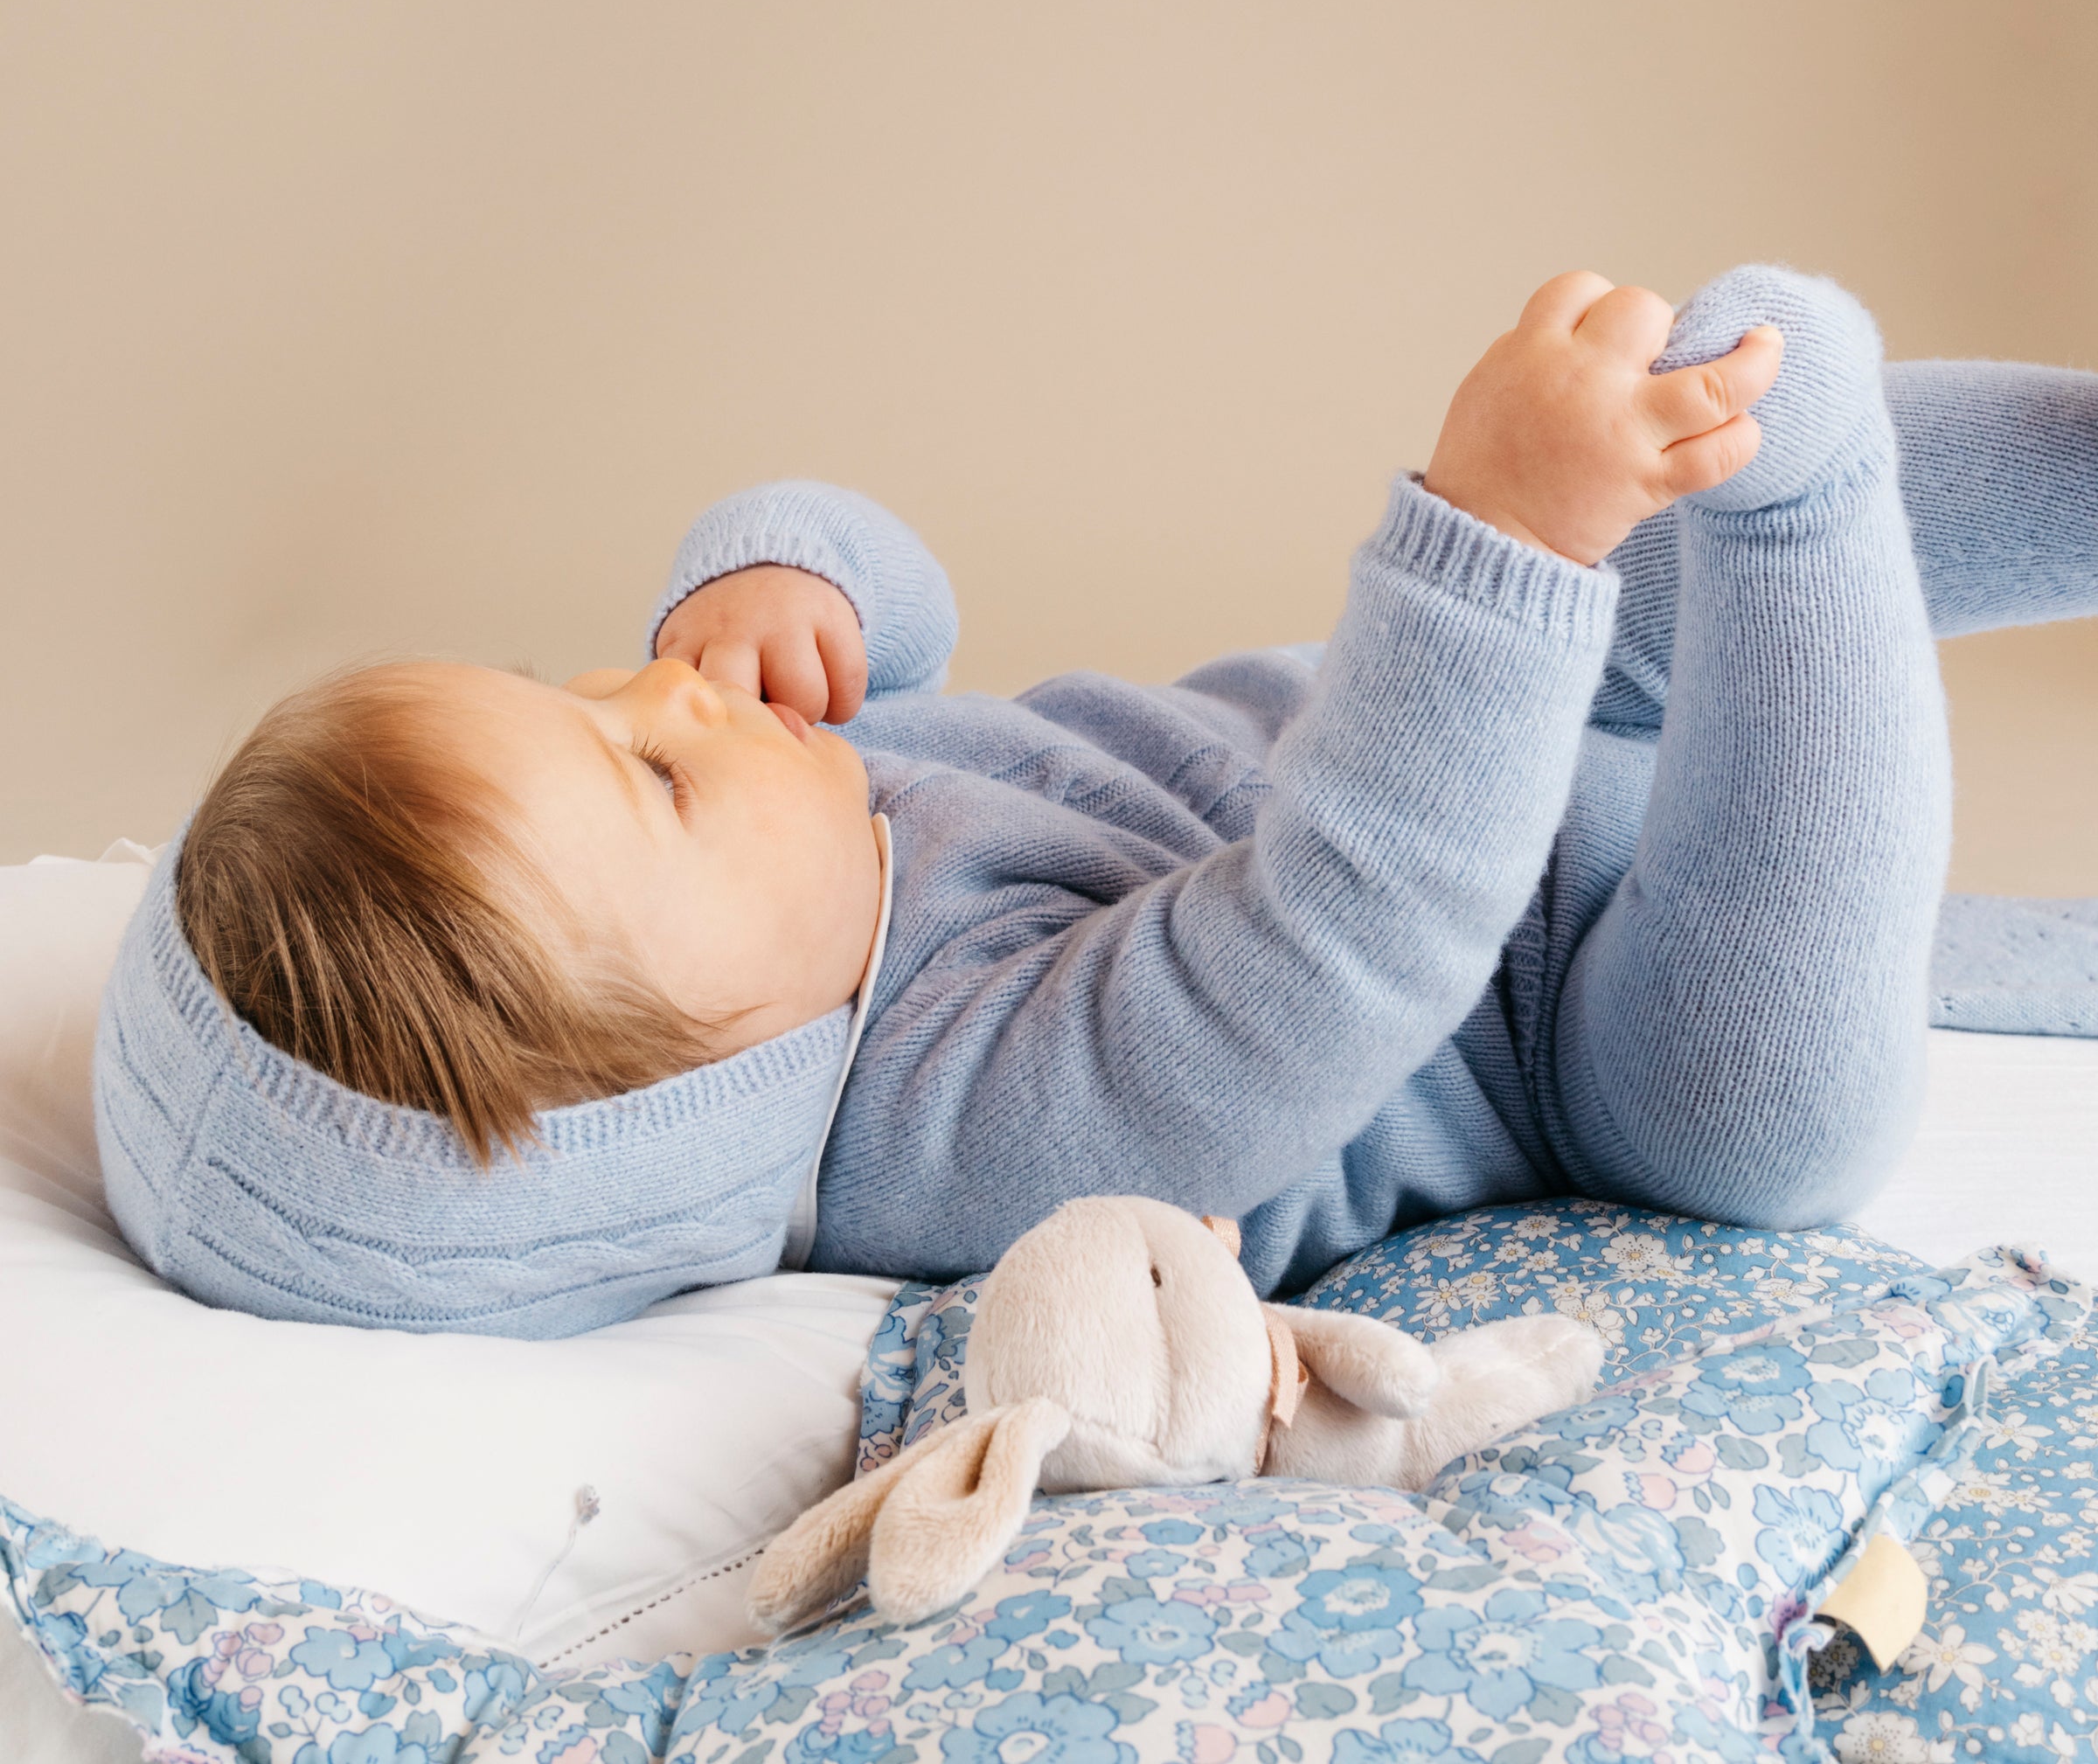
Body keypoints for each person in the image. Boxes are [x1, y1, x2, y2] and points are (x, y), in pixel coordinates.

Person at [93, 266, 2098, 1337]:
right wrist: (1495, 539)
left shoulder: (808, 851)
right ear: (687, 1105)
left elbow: (917, 618)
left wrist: (782, 574)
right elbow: (1343, 932)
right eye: (651, 771)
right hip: (1592, 1030)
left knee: (1658, 485)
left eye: (574, 686)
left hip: (1487, 733)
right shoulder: (955, 1132)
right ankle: (1814, 499)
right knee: (1770, 1087)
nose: (667, 689)